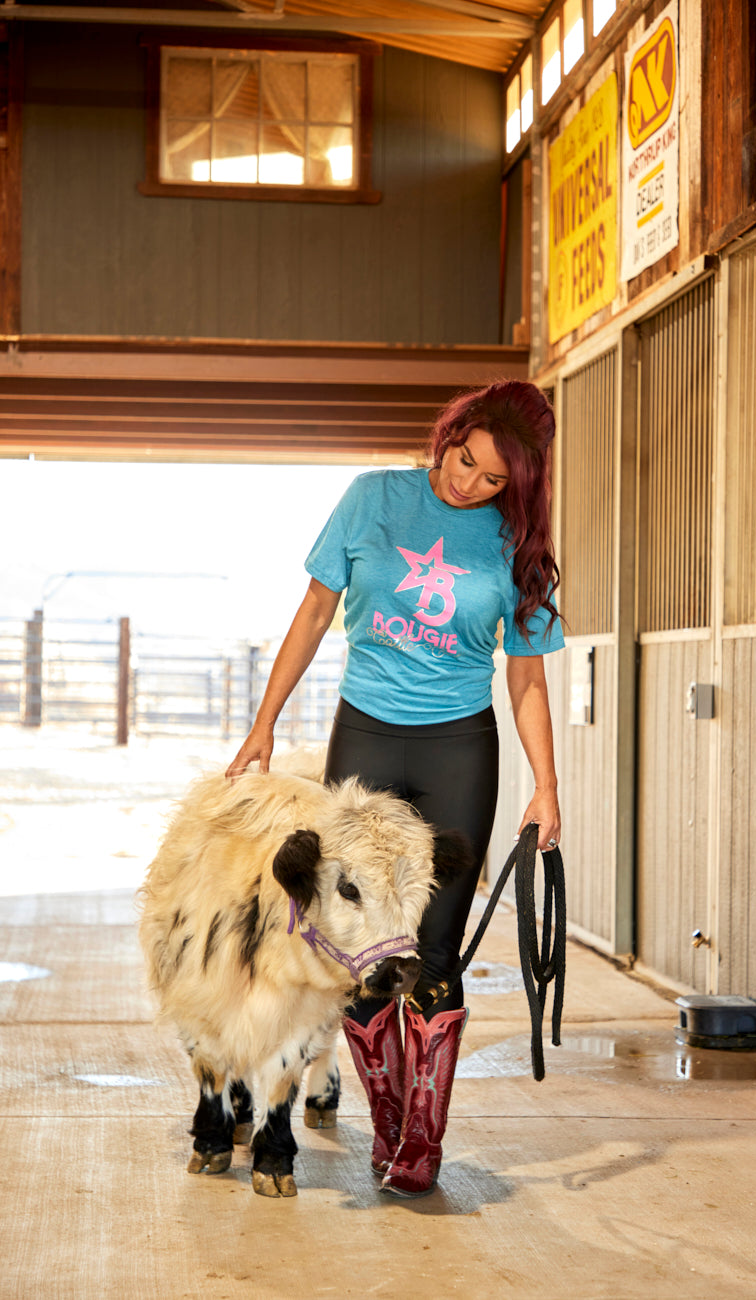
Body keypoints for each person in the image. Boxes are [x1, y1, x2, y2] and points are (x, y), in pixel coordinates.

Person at [226, 379, 565, 1197]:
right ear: (449, 435)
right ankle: (384, 1124)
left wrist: (546, 787)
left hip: (460, 748)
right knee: (361, 945)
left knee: (436, 953)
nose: (469, 484)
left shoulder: (518, 544)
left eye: (492, 480)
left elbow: (524, 681)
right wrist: (263, 723)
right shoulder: (371, 498)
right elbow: (313, 612)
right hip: (365, 734)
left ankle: (421, 1143)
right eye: (465, 461)